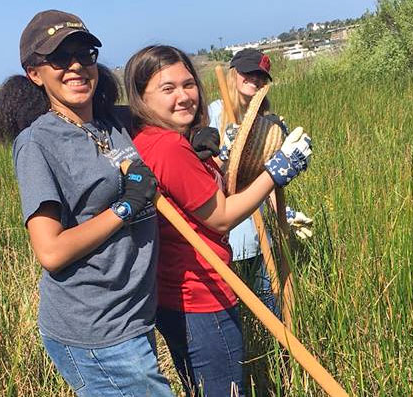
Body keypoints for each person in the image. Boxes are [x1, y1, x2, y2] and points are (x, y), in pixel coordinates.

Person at [0, 10, 172, 397]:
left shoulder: (112, 123)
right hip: (95, 330)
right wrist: (126, 207)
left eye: (84, 53)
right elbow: (51, 251)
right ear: (35, 73)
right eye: (59, 58)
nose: (75, 66)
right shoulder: (38, 143)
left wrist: (197, 141)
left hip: (134, 316)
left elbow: (171, 118)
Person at [124, 44, 313, 397]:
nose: (184, 96)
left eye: (188, 84)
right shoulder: (168, 146)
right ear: (141, 97)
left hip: (173, 294)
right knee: (224, 390)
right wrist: (278, 171)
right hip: (201, 294)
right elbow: (221, 217)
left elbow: (201, 198)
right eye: (168, 89)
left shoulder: (153, 140)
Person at [208, 48, 314, 316]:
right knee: (231, 309)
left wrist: (284, 213)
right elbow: (205, 175)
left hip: (257, 233)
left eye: (260, 76)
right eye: (248, 73)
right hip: (226, 232)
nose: (254, 79)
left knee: (271, 298)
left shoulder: (266, 124)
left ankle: (282, 355)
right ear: (234, 74)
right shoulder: (215, 113)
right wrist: (224, 154)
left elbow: (265, 178)